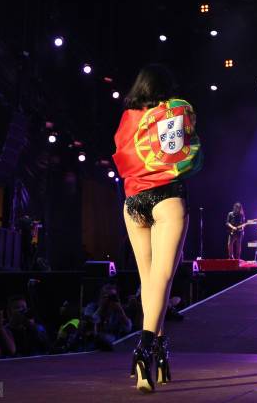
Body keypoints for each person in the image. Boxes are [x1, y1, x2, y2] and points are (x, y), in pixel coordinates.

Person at [112, 64, 203, 393]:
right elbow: (176, 154)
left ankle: (161, 353)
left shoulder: (127, 118)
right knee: (162, 278)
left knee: (150, 281)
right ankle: (143, 350)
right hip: (166, 198)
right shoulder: (172, 111)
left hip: (133, 202)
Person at [83, 283, 132, 351]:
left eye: (112, 297)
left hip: (114, 345)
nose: (109, 300)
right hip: (94, 345)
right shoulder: (92, 307)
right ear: (101, 296)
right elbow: (91, 322)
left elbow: (128, 328)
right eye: (107, 297)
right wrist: (101, 307)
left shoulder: (119, 310)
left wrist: (121, 311)